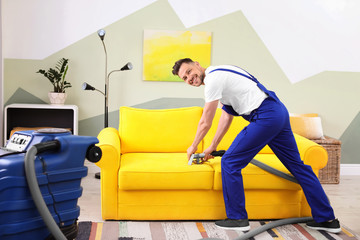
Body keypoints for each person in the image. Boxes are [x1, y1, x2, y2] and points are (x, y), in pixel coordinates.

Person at [171, 58, 341, 233]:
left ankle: (237, 218)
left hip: (265, 116)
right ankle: (327, 219)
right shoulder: (221, 72)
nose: (189, 78)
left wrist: (193, 146)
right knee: (298, 166)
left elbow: (206, 120)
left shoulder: (213, 79)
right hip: (277, 111)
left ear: (197, 64)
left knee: (230, 162)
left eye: (189, 72)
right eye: (184, 78)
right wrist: (212, 146)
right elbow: (226, 116)